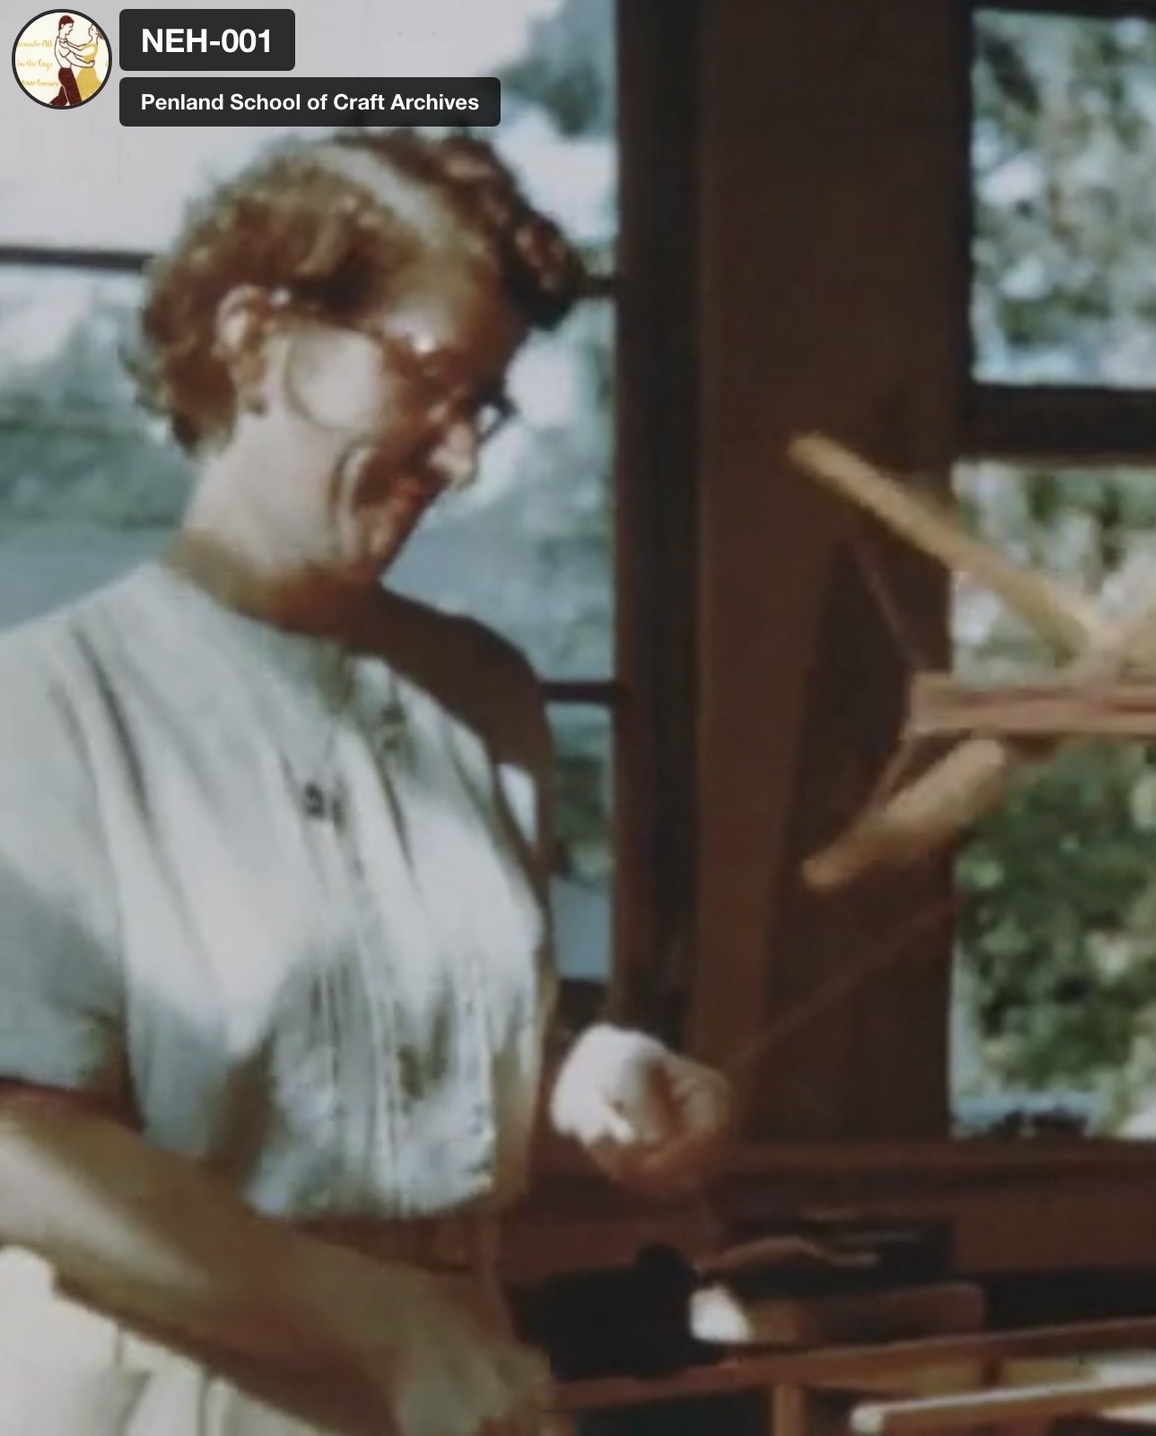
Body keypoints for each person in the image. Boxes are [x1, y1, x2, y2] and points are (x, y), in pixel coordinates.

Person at [0, 131, 731, 1435]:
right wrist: (376, 1324)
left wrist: (585, 1086)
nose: (460, 460)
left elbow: (393, 1075)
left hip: (459, 1391)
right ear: (259, 341)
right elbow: (24, 1144)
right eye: (432, 383)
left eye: (485, 405)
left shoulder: (482, 700)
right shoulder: (52, 708)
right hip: (175, 1398)